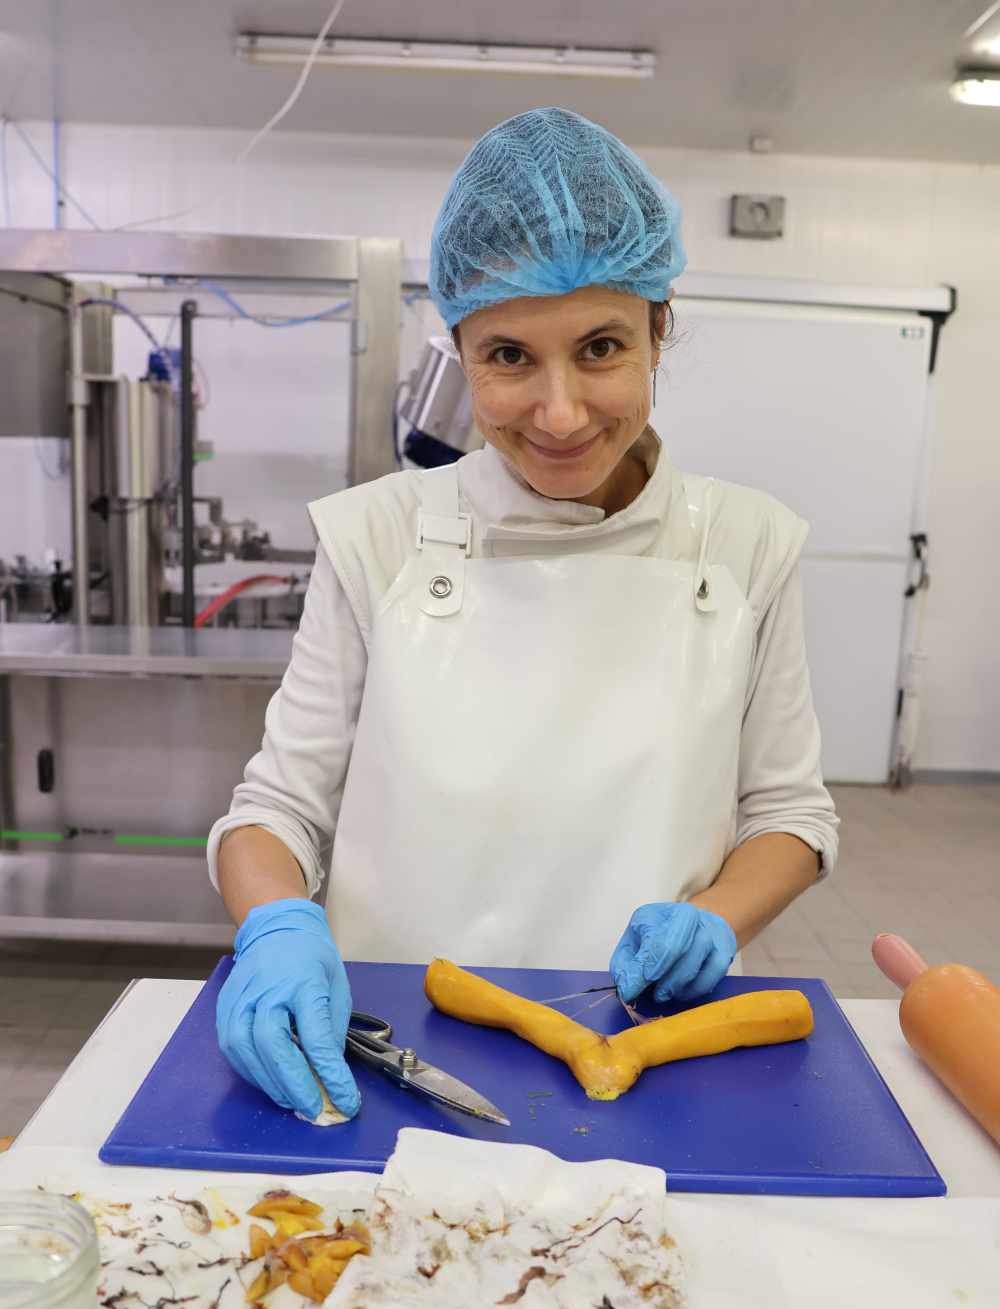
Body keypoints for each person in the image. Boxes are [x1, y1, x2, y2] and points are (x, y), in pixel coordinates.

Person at [209, 107, 839, 1123]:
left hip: (643, 1045)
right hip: (386, 1043)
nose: (560, 412)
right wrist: (277, 927)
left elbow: (789, 815)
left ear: (659, 331)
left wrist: (719, 919)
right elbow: (276, 811)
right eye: (508, 356)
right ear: (459, 348)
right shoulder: (375, 535)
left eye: (601, 348)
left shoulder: (750, 543)